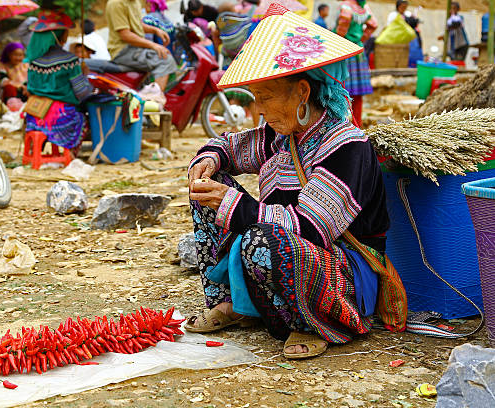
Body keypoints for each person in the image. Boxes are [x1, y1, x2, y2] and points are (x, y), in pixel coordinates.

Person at [185, 5, 389, 359]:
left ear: (302, 93)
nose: (259, 109)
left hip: (339, 272)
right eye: (255, 99)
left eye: (265, 97)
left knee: (260, 238)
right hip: (282, 254)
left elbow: (308, 228)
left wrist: (235, 206)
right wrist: (208, 159)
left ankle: (313, 322)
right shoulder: (280, 135)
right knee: (208, 188)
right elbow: (230, 147)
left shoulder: (347, 147)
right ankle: (232, 302)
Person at [26, 10, 93, 154]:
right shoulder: (70, 60)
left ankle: (36, 151)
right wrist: (85, 75)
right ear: (59, 35)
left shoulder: (33, 62)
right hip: (61, 118)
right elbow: (82, 92)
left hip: (34, 116)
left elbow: (30, 89)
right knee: (83, 118)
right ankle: (70, 154)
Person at [106, 0, 177, 93]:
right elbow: (125, 34)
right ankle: (154, 102)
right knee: (165, 59)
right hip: (123, 51)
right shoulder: (116, 3)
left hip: (136, 48)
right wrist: (153, 45)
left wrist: (155, 30)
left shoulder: (135, 2)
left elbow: (138, 25)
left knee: (165, 55)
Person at [336, 0, 377, 128]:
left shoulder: (347, 6)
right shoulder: (364, 7)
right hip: (358, 51)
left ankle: (341, 126)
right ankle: (357, 124)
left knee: (341, 90)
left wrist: (336, 40)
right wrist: (361, 39)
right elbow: (373, 24)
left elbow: (343, 25)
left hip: (345, 50)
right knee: (357, 92)